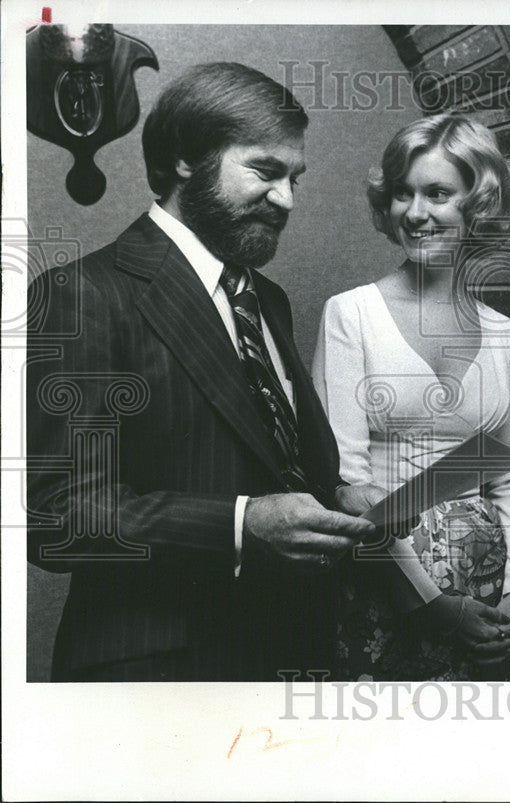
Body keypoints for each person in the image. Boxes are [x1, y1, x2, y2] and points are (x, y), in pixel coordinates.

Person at [26, 62, 378, 681]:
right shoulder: (82, 294)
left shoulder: (267, 300)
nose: (286, 200)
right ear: (186, 159)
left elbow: (272, 460)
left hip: (287, 664)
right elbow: (59, 516)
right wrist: (241, 525)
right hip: (158, 681)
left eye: (294, 178)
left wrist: (339, 499)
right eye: (265, 172)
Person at [311, 113, 510, 680]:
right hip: (385, 586)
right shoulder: (351, 314)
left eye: (438, 193)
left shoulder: (504, 333)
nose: (416, 213)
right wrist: (431, 606)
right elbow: (345, 486)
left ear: (477, 203)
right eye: (402, 194)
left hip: (486, 591)